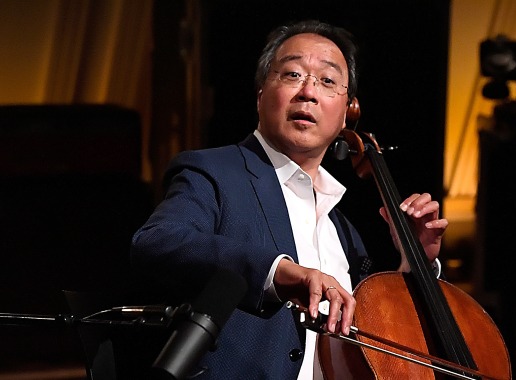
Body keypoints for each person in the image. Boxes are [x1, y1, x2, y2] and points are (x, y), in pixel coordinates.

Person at [130, 19, 448, 379]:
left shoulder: (343, 229)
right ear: (261, 93)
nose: (308, 92)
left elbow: (384, 339)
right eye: (293, 74)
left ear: (347, 112)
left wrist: (414, 262)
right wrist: (278, 272)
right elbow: (157, 242)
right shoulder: (214, 172)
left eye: (327, 81)